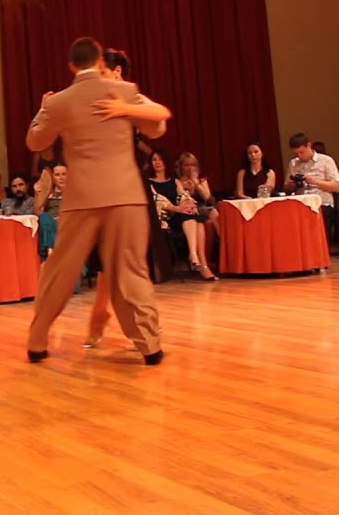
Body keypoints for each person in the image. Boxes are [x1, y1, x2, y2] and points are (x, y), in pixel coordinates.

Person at [26, 36, 170, 366]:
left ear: (71, 65)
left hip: (82, 198)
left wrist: (42, 109)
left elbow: (35, 141)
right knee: (131, 270)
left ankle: (37, 342)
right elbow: (158, 128)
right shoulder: (125, 91)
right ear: (100, 61)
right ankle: (150, 345)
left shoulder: (59, 102)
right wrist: (127, 108)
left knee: (61, 271)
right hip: (126, 195)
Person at [147, 151, 215, 280]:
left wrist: (188, 203)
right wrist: (178, 208)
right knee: (194, 219)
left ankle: (195, 257)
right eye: (154, 159)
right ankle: (201, 264)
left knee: (196, 219)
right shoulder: (149, 183)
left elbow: (183, 196)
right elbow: (158, 200)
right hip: (164, 218)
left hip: (179, 217)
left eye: (160, 159)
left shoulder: (175, 181)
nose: (157, 162)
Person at [285, 132, 339, 235]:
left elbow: (337, 187)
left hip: (321, 203)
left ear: (309, 145)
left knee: (313, 218)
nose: (299, 156)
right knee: (287, 218)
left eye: (301, 152)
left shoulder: (326, 160)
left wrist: (315, 181)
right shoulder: (293, 163)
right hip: (300, 203)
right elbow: (286, 189)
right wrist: (291, 185)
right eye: (296, 154)